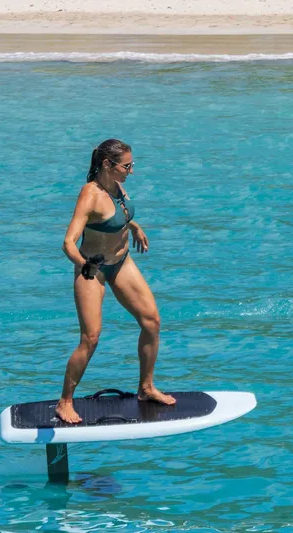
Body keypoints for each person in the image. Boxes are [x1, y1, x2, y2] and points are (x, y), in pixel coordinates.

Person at [56, 138, 175, 424]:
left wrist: (133, 226)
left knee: (152, 321)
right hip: (92, 268)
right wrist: (84, 265)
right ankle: (65, 401)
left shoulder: (116, 184)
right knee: (91, 338)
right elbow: (68, 242)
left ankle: (146, 388)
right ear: (108, 165)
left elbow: (114, 214)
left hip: (121, 262)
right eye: (127, 166)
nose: (131, 171)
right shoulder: (90, 195)